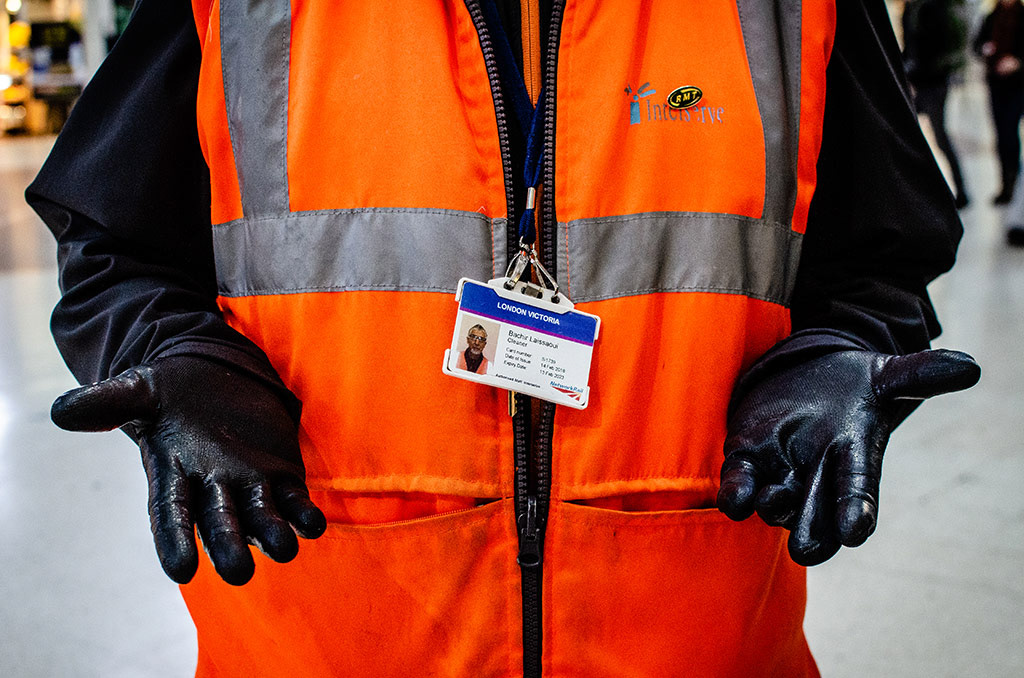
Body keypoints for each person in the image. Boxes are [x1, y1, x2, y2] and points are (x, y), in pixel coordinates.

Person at [28, 1, 979, 676]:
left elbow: (879, 246)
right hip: (320, 639)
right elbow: (116, 239)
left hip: (699, 642)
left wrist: (836, 346)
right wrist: (178, 352)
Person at [903, 0, 970, 208]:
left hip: (933, 83)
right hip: (919, 81)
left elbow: (932, 48)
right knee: (911, 135)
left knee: (939, 137)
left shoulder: (933, 8)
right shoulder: (912, 8)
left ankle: (961, 191)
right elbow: (910, 46)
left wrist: (912, 73)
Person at [975, 0, 1024, 204]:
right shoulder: (991, 17)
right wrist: (985, 48)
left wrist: (1017, 62)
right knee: (1002, 134)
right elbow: (976, 44)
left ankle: (1015, 184)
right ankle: (1006, 185)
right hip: (996, 84)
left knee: (1010, 133)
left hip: (1018, 85)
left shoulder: (1022, 16)